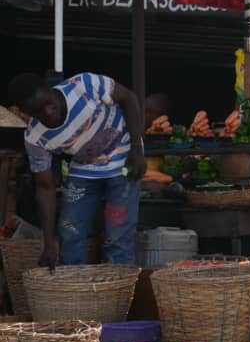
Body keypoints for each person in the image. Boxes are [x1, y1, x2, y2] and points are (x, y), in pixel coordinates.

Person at [7, 72, 146, 267]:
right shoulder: (35, 138)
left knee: (118, 233)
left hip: (124, 160)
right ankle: (74, 290)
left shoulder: (84, 85)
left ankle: (119, 292)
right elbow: (45, 188)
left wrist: (137, 149)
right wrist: (48, 244)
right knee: (69, 231)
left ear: (50, 90)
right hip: (84, 168)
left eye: (49, 103)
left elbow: (129, 98)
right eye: (37, 112)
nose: (48, 112)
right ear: (25, 112)